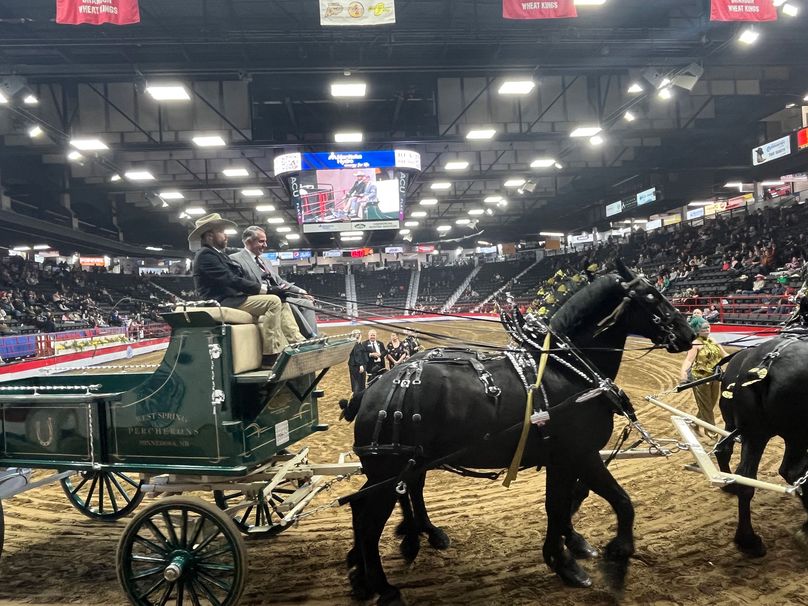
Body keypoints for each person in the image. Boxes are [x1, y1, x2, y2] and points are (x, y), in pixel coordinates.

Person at [190, 213, 297, 368]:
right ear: (209, 236)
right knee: (273, 301)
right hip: (222, 300)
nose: (226, 236)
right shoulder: (205, 255)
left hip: (233, 298)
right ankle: (270, 355)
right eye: (222, 232)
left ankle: (296, 341)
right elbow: (232, 280)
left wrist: (270, 288)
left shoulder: (219, 255)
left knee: (281, 301)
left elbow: (237, 278)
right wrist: (267, 290)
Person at [230, 226, 318, 338]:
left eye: (265, 241)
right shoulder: (235, 259)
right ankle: (310, 337)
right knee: (289, 303)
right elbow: (242, 284)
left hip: (278, 295)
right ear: (249, 241)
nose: (265, 245)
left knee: (307, 303)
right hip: (263, 299)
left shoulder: (265, 261)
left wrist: (301, 292)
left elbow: (280, 281)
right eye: (261, 241)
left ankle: (314, 337)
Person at [680, 317, 729, 434]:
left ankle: (695, 423)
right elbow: (688, 360)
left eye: (708, 327)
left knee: (710, 404)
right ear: (697, 330)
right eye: (703, 328)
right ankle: (711, 432)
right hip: (700, 379)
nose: (707, 330)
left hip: (715, 377)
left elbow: (725, 355)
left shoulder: (713, 341)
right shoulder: (695, 343)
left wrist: (740, 357)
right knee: (706, 406)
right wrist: (683, 375)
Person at [348, 329, 369, 394]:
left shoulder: (357, 343)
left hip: (356, 365)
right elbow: (357, 354)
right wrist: (361, 365)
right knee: (358, 384)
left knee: (359, 383)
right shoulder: (355, 344)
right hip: (356, 365)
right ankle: (357, 396)